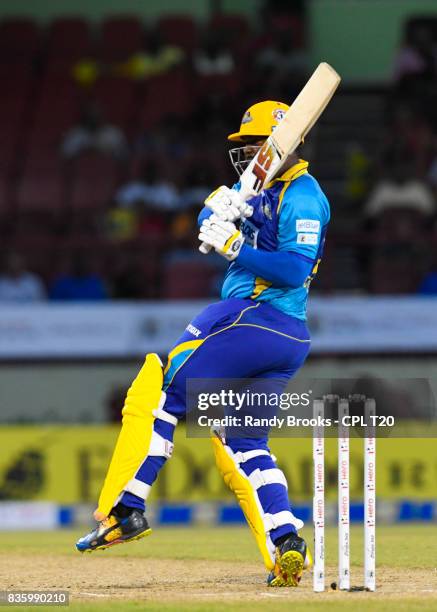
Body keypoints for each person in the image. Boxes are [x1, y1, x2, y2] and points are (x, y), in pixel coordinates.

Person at [76, 101, 330, 589]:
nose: (248, 154)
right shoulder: (258, 185)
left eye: (256, 145)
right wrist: (219, 208)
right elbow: (208, 216)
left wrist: (236, 247)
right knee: (246, 442)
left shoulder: (303, 194)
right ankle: (287, 541)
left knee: (167, 394)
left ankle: (126, 509)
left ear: (284, 144)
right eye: (245, 146)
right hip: (285, 339)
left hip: (256, 316)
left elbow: (296, 268)